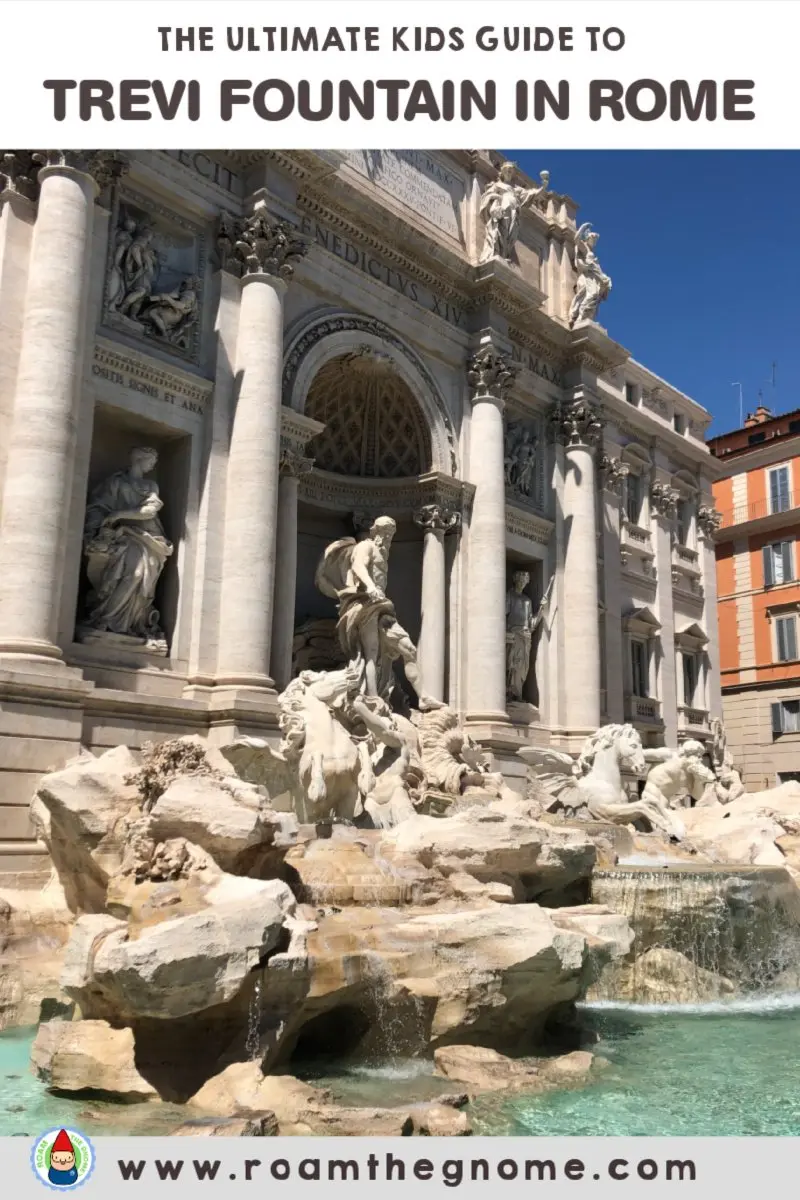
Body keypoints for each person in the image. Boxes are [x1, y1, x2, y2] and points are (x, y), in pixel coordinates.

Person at [315, 516, 441, 710]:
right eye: (385, 533)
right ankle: (373, 698)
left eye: (391, 534)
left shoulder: (383, 552)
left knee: (409, 649)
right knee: (371, 653)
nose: (388, 537)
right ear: (376, 533)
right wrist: (371, 586)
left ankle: (423, 697)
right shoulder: (366, 546)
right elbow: (358, 566)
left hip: (382, 606)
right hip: (365, 604)